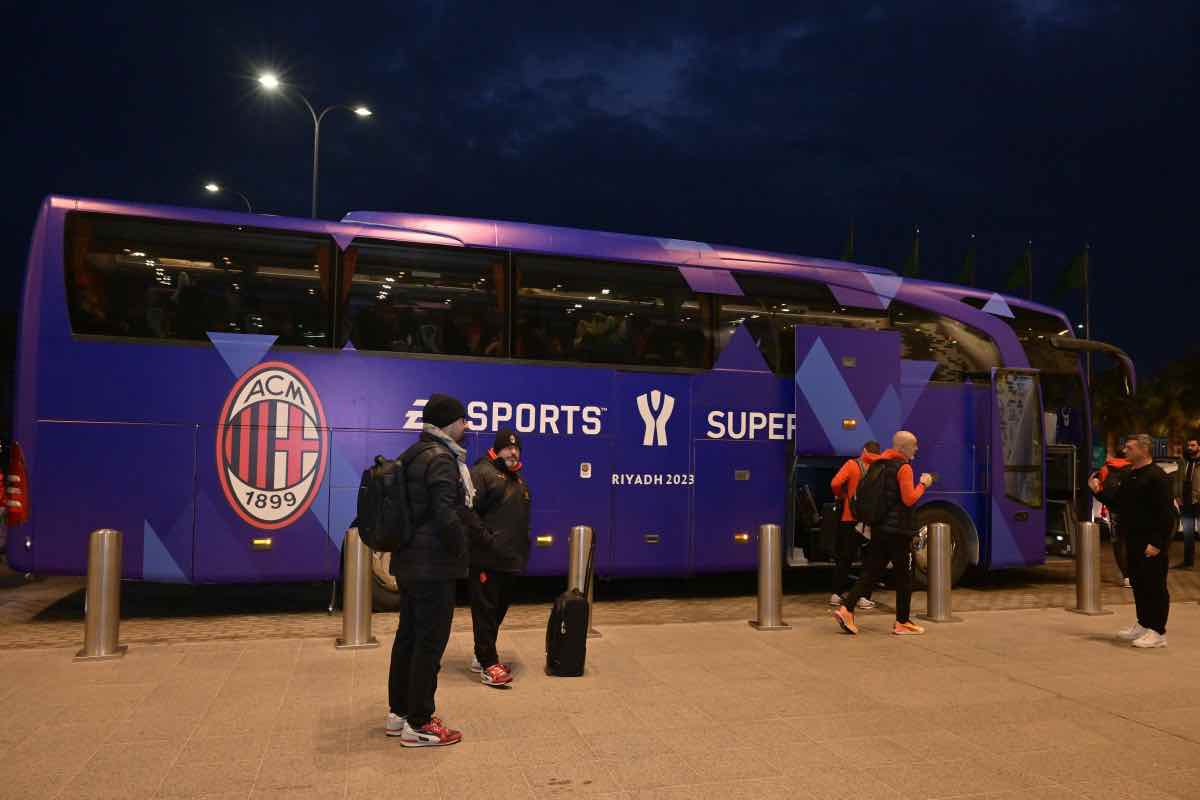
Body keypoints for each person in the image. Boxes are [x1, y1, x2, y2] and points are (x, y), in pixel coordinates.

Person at [385, 393, 481, 746]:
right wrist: (462, 551)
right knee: (429, 643)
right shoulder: (441, 458)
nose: (466, 426)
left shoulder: (414, 453)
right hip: (433, 567)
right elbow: (445, 515)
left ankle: (399, 713)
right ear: (450, 423)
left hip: (409, 563)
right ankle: (420, 723)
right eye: (463, 420)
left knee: (408, 639)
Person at [833, 431, 933, 636]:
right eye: (914, 445)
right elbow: (909, 499)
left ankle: (847, 608)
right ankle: (902, 622)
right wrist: (923, 484)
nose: (916, 448)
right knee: (904, 577)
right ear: (903, 448)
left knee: (871, 572)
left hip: (879, 528)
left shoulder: (879, 464)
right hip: (898, 532)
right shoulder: (904, 468)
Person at [1089, 433, 1175, 649]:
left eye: (1130, 447)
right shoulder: (1131, 474)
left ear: (1143, 450)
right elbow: (1119, 503)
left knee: (1154, 585)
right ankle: (1143, 623)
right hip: (1133, 538)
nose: (1125, 450)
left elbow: (1166, 514)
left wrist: (1157, 543)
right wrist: (1098, 492)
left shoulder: (1157, 477)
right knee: (1138, 582)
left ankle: (1158, 631)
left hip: (1151, 541)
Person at [466, 428, 532, 687]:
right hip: (487, 559)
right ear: (496, 449)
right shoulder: (482, 473)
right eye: (508, 447)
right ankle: (488, 663)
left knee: (496, 612)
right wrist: (487, 541)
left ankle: (482, 654)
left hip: (510, 561)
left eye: (516, 448)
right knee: (485, 611)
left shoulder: (518, 480)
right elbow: (468, 513)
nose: (513, 452)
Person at [828, 441, 882, 609]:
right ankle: (863, 598)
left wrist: (842, 496)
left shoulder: (852, 465)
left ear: (863, 450)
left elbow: (835, 483)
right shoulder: (880, 468)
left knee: (845, 558)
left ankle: (836, 594)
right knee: (869, 560)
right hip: (869, 522)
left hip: (849, 518)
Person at [1093, 450, 1133, 587]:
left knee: (1118, 542)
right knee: (1132, 540)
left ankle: (1126, 576)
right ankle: (1134, 573)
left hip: (1114, 509)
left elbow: (1096, 487)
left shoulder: (1105, 468)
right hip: (1132, 510)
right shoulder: (1134, 467)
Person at [1175, 436, 1199, 569]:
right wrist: (1177, 495)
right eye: (1189, 445)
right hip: (1186, 501)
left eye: (1193, 445)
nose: (1190, 448)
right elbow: (1177, 479)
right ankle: (1188, 562)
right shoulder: (1183, 461)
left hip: (1198, 501)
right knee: (1188, 534)